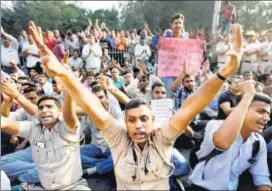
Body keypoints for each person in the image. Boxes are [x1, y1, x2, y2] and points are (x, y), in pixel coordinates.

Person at [28, 21, 242, 190]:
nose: (138, 125)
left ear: (153, 121)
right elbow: (92, 104)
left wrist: (224, 73)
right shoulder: (117, 137)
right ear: (125, 123)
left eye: (143, 119)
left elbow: (191, 106)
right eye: (132, 120)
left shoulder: (163, 138)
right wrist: (64, 74)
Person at [188, 81, 272, 190]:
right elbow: (223, 143)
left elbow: (262, 178)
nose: (267, 118)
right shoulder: (216, 125)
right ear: (242, 110)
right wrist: (247, 96)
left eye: (268, 113)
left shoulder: (258, 142)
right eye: (261, 111)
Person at [1, 96, 90, 190]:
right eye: (41, 107)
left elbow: (70, 114)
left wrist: (69, 87)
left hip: (73, 187)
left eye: (49, 106)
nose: (44, 110)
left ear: (60, 111)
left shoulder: (68, 127)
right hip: (42, 184)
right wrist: (7, 102)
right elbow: (4, 123)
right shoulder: (32, 127)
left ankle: (27, 177)